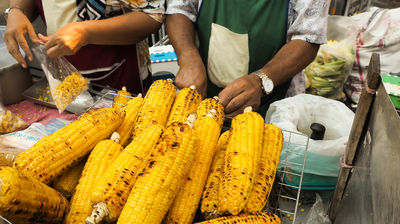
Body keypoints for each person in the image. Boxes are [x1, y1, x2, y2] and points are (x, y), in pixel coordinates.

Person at [166, 0, 329, 117]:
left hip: (274, 102)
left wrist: (261, 80)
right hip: (204, 94)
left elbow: (307, 37)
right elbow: (180, 10)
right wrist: (187, 56)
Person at [4, 0, 165, 94]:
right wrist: (16, 10)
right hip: (60, 78)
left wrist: (86, 32)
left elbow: (151, 15)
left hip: (120, 76)